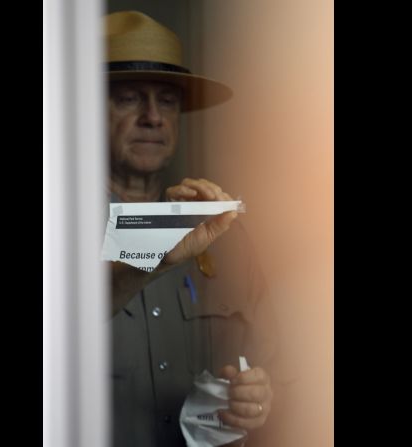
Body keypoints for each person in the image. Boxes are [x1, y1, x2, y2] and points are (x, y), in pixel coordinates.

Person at [105, 11, 288, 447]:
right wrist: (148, 254)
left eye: (167, 101)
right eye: (130, 98)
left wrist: (259, 397)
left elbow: (274, 369)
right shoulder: (57, 228)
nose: (153, 117)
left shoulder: (221, 232)